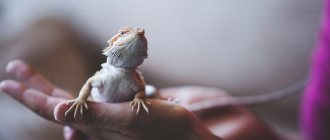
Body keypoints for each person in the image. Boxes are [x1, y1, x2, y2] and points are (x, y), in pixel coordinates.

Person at [0, 60, 282, 140]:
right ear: (113, 47)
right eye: (126, 35)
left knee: (149, 92)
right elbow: (90, 84)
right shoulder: (105, 73)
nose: (138, 36)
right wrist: (82, 100)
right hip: (106, 100)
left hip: (151, 99)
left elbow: (142, 91)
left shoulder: (136, 79)